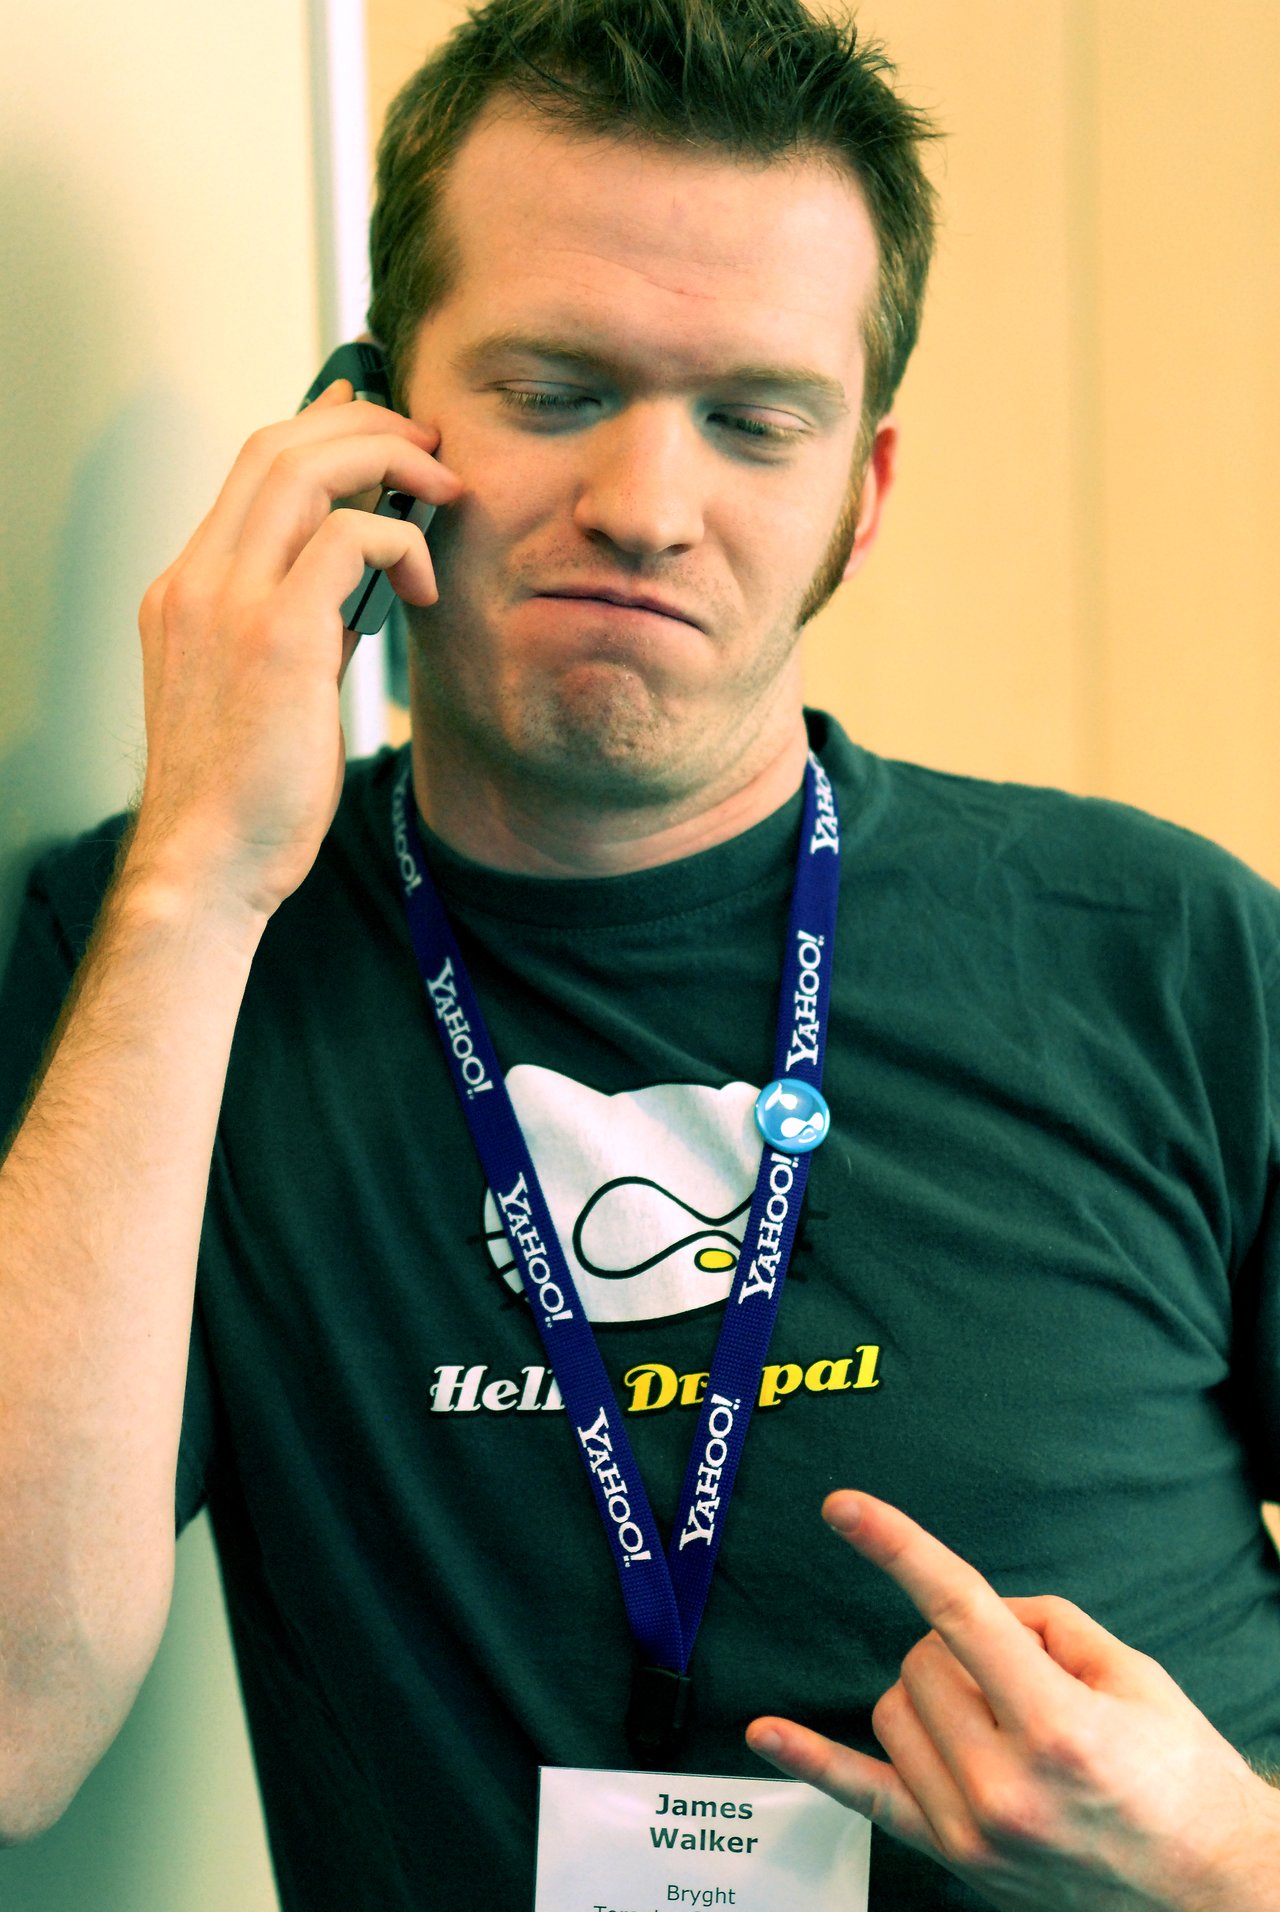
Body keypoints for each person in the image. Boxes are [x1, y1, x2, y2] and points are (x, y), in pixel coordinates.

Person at [2, 1, 1279, 1906]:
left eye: (755, 421)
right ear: (367, 424)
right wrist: (196, 872)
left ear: (865, 488)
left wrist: (1230, 1851)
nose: (648, 508)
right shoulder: (160, 963)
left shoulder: (1162, 949)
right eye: (556, 388)